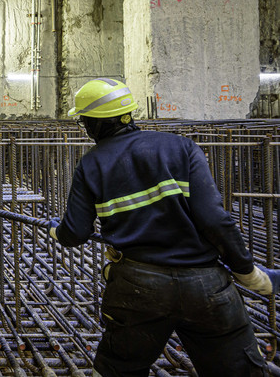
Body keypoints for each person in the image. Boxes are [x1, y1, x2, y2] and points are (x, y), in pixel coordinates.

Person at [47, 78, 279, 376]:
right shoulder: (181, 147)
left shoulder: (92, 164)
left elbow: (76, 232)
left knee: (119, 370)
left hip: (136, 287)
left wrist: (56, 231)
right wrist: (247, 271)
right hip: (206, 284)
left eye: (85, 121)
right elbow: (215, 220)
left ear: (96, 124)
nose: (86, 128)